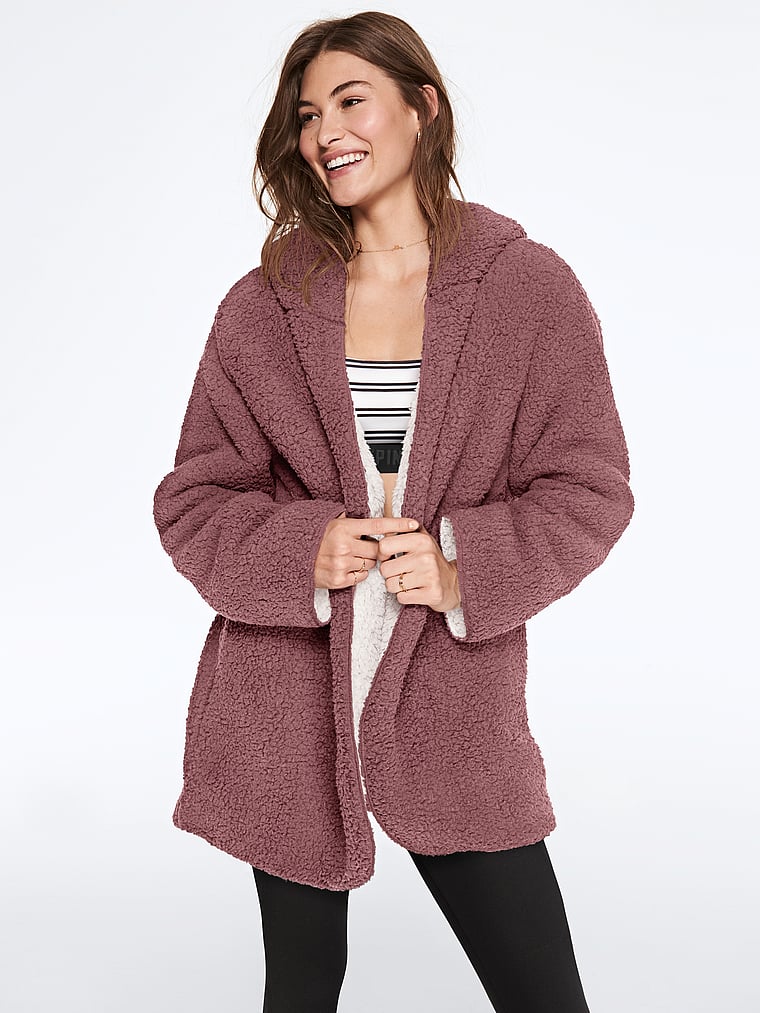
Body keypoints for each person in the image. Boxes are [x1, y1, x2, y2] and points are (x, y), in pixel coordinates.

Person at [152, 11, 634, 1012]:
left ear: (423, 107)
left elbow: (588, 484)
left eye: (350, 100)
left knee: (543, 991)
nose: (324, 131)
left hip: (454, 697)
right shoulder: (264, 303)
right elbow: (195, 495)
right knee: (299, 989)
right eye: (306, 114)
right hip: (285, 698)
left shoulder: (527, 291)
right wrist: (303, 548)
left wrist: (462, 567)